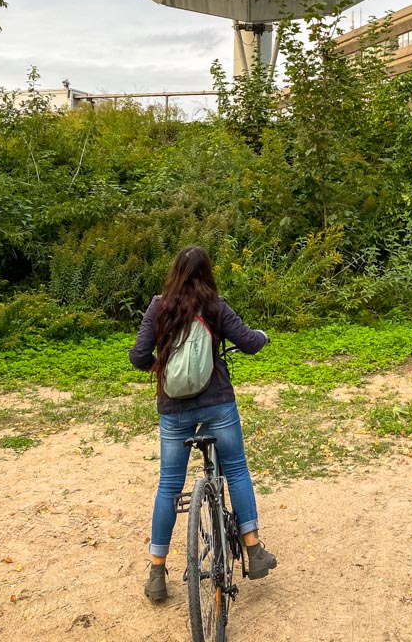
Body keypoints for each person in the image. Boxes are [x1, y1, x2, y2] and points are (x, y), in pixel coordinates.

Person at [129, 245, 277, 601]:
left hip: (174, 411)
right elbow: (249, 343)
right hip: (217, 406)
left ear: (174, 272)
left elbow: (137, 356)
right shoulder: (215, 306)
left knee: (168, 486)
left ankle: (157, 572)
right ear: (207, 272)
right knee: (237, 470)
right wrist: (262, 336)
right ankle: (253, 549)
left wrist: (161, 368)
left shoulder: (158, 306)